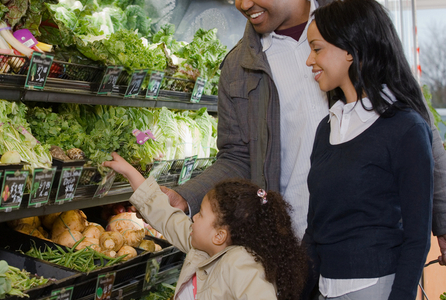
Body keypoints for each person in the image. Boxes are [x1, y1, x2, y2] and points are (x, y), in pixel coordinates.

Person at [161, 0, 446, 265]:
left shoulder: (353, 27)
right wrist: (187, 197)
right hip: (291, 250)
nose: (243, 5)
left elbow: (418, 129)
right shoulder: (237, 67)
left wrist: (443, 219)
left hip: (372, 243)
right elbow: (236, 157)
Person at [302, 1, 433, 299]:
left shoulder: (405, 128)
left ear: (350, 50)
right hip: (323, 287)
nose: (309, 60)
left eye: (317, 48)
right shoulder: (328, 127)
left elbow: (417, 238)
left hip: (374, 288)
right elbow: (315, 227)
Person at [103, 152, 307, 300]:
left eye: (200, 213)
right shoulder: (200, 247)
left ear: (219, 235)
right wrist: (130, 172)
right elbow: (168, 217)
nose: (194, 217)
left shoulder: (240, 263)